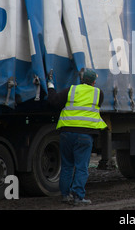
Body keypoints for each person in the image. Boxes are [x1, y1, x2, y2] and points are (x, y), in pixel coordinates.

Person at [47, 68, 107, 205]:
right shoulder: (99, 94)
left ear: (81, 79)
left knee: (67, 166)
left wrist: (50, 86)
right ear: (94, 82)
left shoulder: (71, 90)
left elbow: (54, 101)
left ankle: (65, 195)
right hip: (85, 136)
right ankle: (78, 197)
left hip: (66, 133)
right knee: (81, 167)